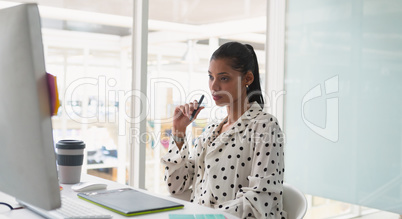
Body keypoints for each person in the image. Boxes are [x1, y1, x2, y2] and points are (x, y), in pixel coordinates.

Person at [161, 42, 286, 219]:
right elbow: (176, 186)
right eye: (211, 77)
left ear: (248, 79)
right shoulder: (212, 129)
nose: (214, 86)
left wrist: (209, 216)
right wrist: (179, 132)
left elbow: (261, 198)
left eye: (224, 78)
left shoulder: (265, 127)